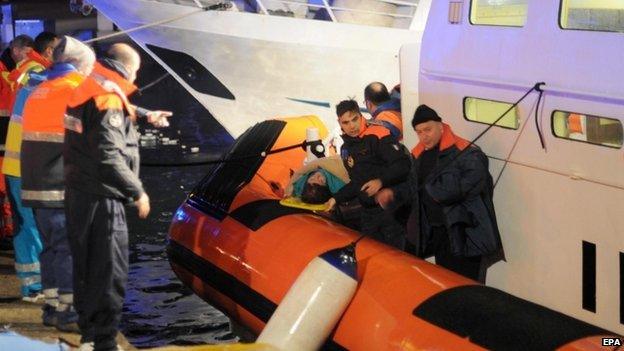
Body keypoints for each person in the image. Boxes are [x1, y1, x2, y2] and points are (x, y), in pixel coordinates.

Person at [64, 43, 169, 351]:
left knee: (85, 265)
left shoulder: (88, 84)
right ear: (127, 68)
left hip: (79, 190)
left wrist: (145, 116)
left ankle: (88, 333)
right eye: (135, 71)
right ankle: (105, 341)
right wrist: (137, 191)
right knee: (109, 270)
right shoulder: (107, 96)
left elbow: (102, 118)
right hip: (103, 195)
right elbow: (108, 154)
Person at [20, 36, 96, 332]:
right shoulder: (75, 91)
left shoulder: (39, 90)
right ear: (80, 66)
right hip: (62, 186)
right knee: (68, 250)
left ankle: (51, 307)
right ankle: (68, 313)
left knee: (51, 248)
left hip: (35, 185)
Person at [376, 104, 502, 282]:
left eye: (428, 129)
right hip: (437, 233)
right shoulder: (419, 155)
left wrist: (434, 190)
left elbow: (473, 183)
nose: (424, 136)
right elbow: (414, 187)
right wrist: (393, 193)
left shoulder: (467, 152)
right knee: (445, 281)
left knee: (465, 285)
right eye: (419, 132)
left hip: (462, 232)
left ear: (441, 126)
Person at [2, 33, 59, 303]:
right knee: (35, 225)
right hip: (28, 165)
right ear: (49, 52)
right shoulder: (39, 75)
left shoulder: (26, 75)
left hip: (17, 163)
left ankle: (31, 286)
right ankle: (36, 286)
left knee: (26, 226)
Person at [326, 99, 410, 249]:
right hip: (367, 213)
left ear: (361, 115)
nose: (352, 126)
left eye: (354, 119)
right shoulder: (346, 148)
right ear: (339, 123)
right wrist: (336, 198)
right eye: (346, 123)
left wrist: (381, 181)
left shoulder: (378, 134)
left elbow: (402, 165)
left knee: (394, 259)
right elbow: (358, 183)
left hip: (390, 212)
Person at [284, 155, 349, 204]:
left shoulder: (301, 185)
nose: (316, 176)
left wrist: (289, 189)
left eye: (312, 179)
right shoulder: (339, 183)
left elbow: (298, 177)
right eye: (321, 180)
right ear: (327, 186)